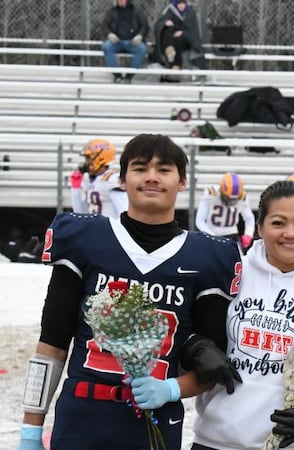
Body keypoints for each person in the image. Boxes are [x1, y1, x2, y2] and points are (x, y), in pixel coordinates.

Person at [17, 134, 242, 450]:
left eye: (164, 169)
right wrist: (31, 429)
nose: (152, 176)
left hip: (156, 417)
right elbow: (52, 342)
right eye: (140, 168)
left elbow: (213, 363)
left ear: (182, 182)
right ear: (122, 179)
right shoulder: (86, 238)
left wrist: (172, 389)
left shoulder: (207, 256)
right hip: (82, 412)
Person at [192, 180, 294, 450]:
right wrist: (194, 347)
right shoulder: (232, 273)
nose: (290, 233)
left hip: (292, 446)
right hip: (214, 443)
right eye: (278, 223)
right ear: (259, 227)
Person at [195, 172, 256, 252]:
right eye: (228, 198)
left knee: (238, 262)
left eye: (234, 199)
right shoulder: (212, 194)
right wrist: (212, 236)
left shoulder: (242, 197)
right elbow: (200, 220)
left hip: (232, 236)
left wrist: (248, 234)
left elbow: (249, 219)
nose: (231, 201)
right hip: (211, 234)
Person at [69, 138, 128, 218]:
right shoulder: (87, 179)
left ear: (100, 158)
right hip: (93, 228)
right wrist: (75, 189)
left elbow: (123, 211)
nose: (86, 162)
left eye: (88, 158)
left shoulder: (111, 179)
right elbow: (80, 213)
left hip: (108, 228)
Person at [153, 0, 208, 79]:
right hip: (171, 38)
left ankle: (176, 64)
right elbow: (159, 24)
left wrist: (183, 33)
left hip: (186, 39)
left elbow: (193, 31)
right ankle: (170, 50)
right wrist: (165, 22)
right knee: (166, 32)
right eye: (179, 4)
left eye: (183, 4)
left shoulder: (190, 13)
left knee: (177, 40)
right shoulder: (170, 11)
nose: (181, 6)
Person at [101, 0, 149, 84]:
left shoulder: (136, 11)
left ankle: (129, 76)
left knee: (142, 49)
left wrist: (140, 36)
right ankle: (117, 75)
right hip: (117, 42)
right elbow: (104, 26)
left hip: (132, 42)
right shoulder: (112, 11)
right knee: (107, 46)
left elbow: (145, 25)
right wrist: (109, 34)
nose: (120, 1)